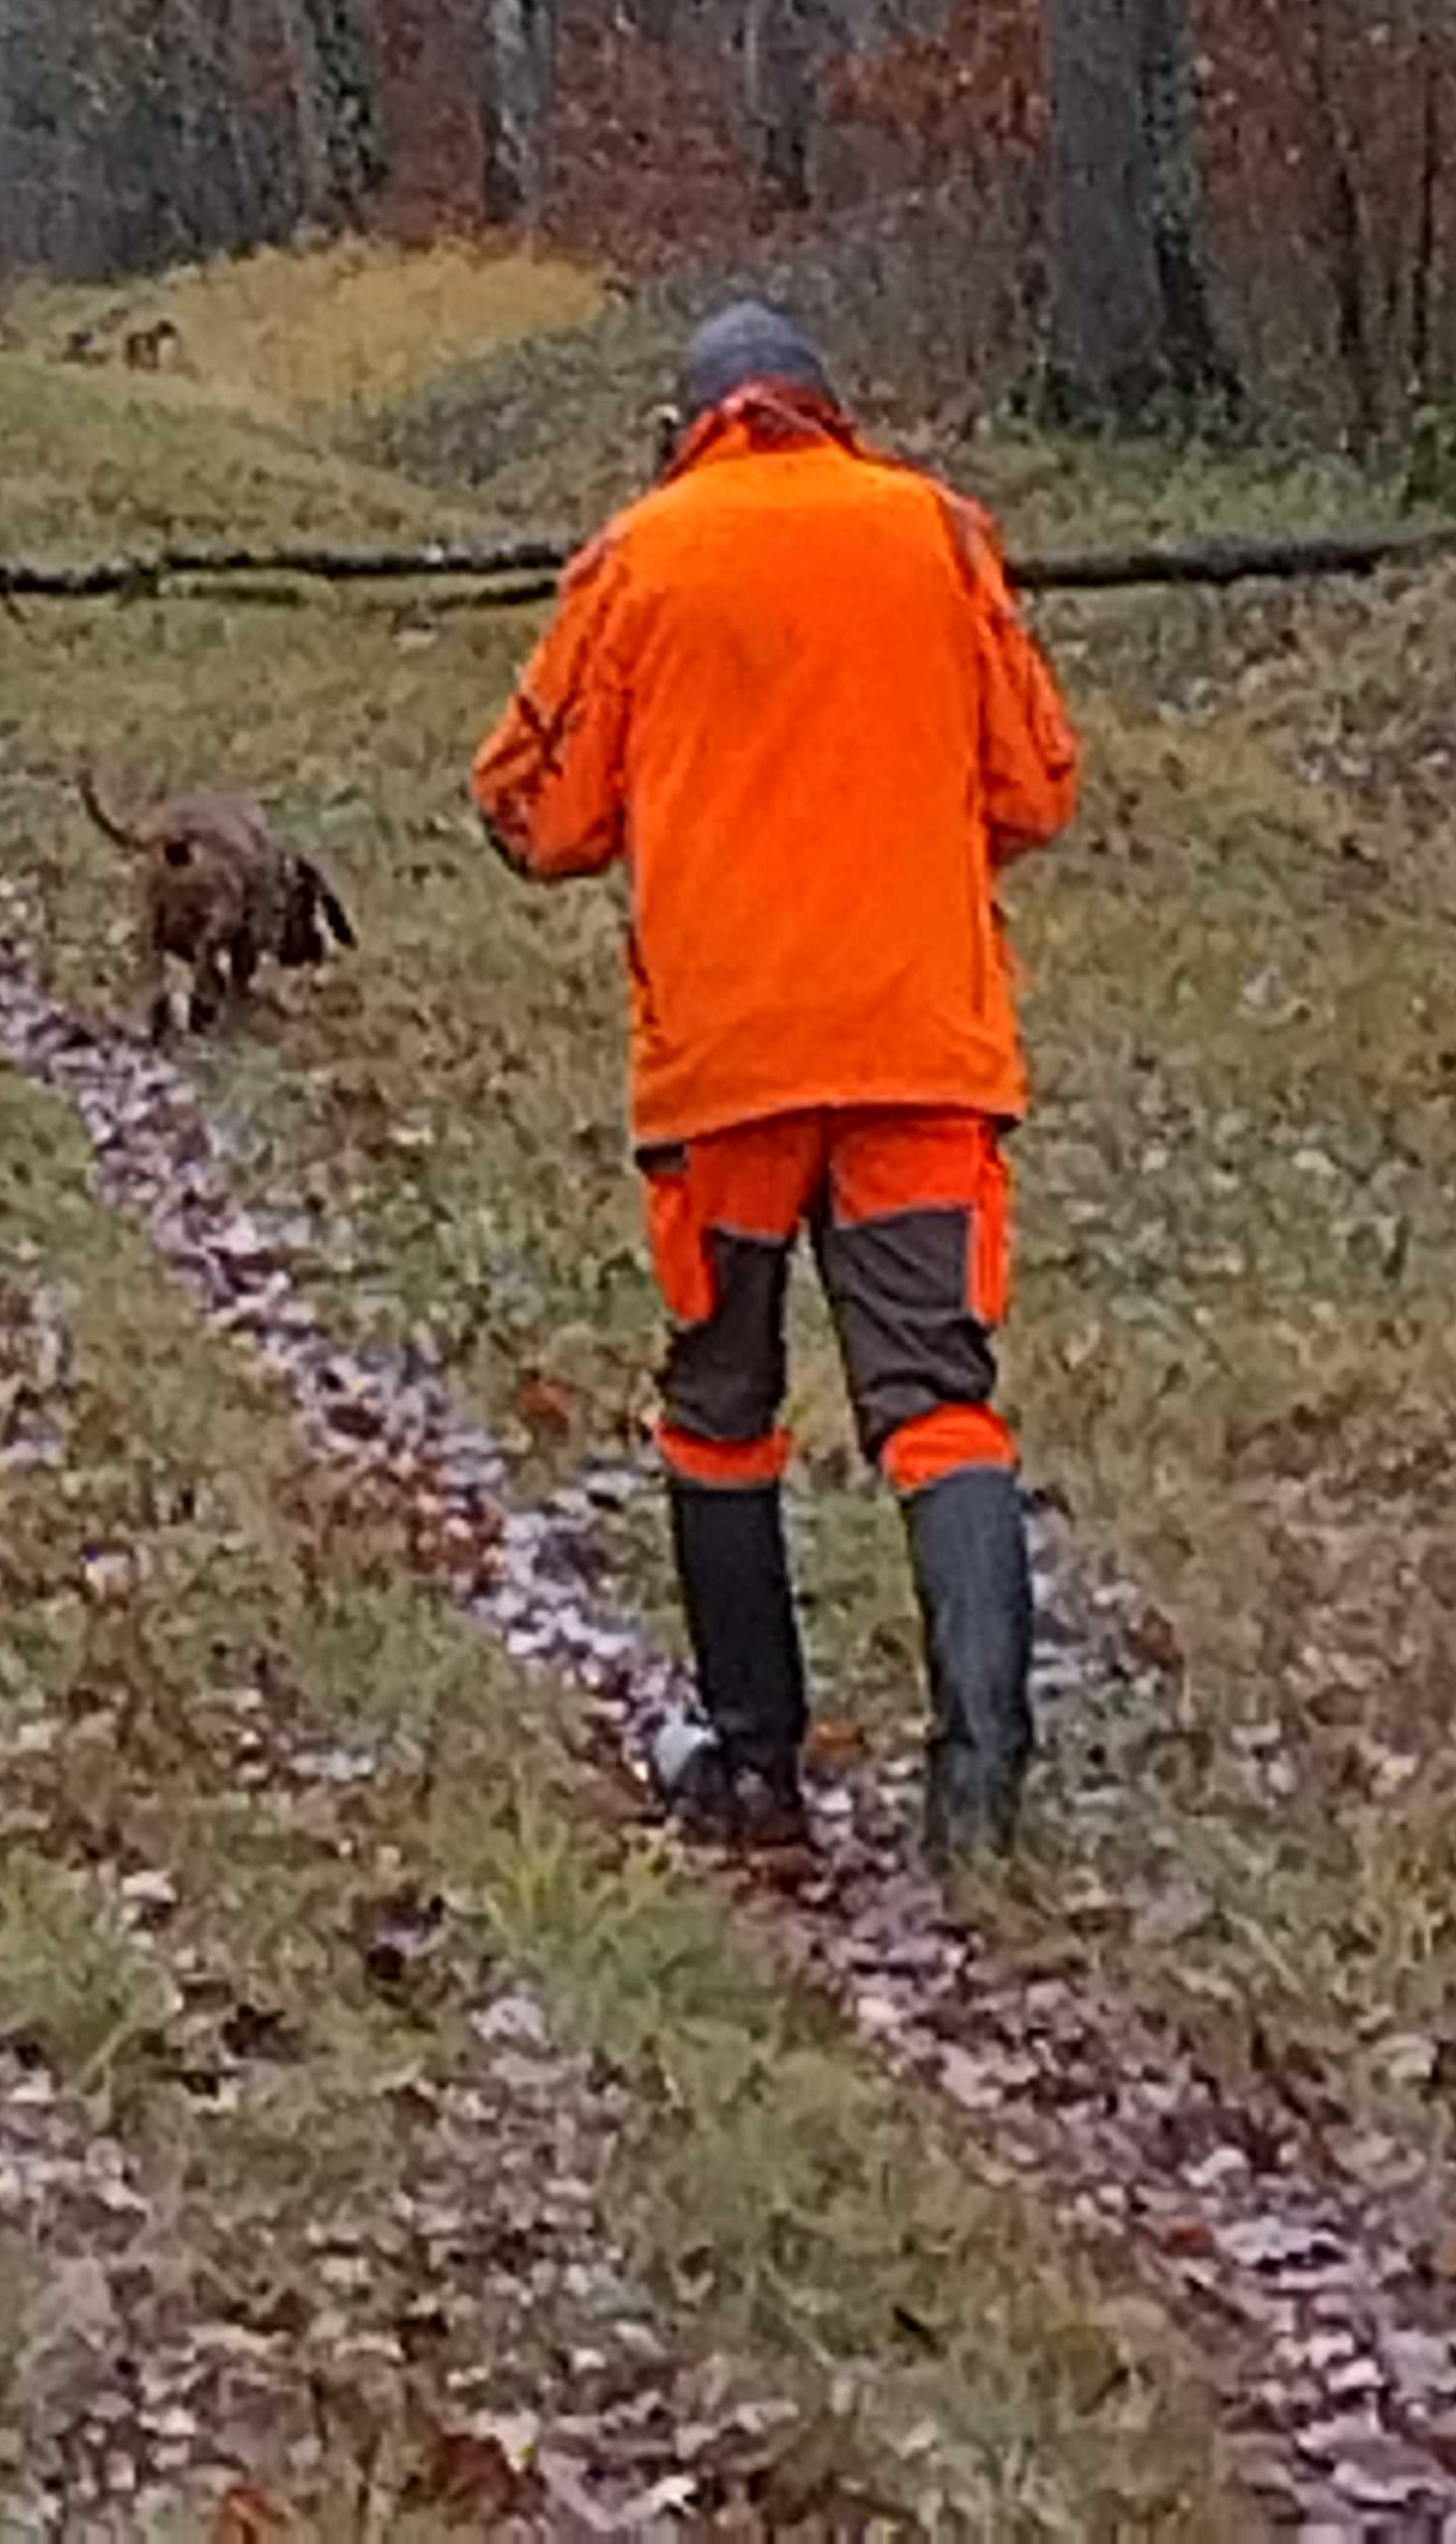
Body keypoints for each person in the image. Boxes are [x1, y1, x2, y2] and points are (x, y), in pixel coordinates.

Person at [472, 302, 1078, 1865]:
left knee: (722, 1410)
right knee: (939, 1405)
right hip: (919, 1053)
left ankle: (753, 1763)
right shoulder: (935, 534)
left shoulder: (641, 556)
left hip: (725, 1070)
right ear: (831, 409)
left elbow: (531, 813)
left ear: (688, 424)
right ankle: (980, 1783)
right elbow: (1037, 785)